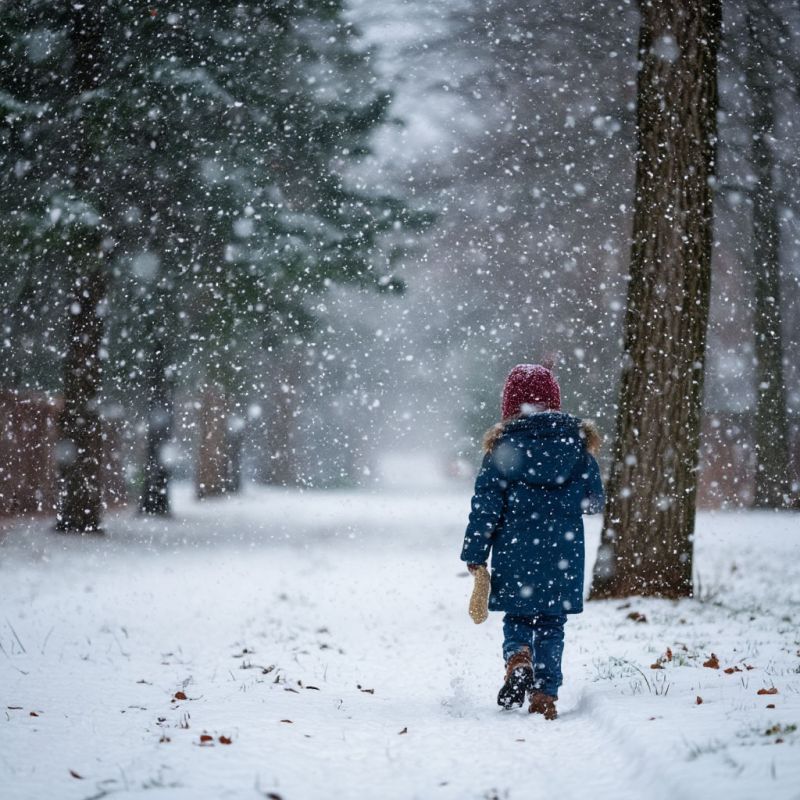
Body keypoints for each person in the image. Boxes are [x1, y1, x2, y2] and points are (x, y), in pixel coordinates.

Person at [461, 361, 604, 720]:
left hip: (515, 548)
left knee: (519, 616)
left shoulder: (502, 448)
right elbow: (594, 500)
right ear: (554, 401)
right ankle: (545, 694)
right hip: (563, 549)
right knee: (553, 622)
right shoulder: (578, 445)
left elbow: (485, 507)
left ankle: (519, 656)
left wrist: (475, 552)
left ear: (509, 406)